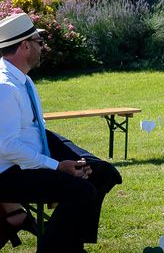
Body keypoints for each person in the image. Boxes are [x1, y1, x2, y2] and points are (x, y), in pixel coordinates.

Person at [0, 13, 122, 252]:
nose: (42, 47)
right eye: (39, 42)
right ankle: (54, 249)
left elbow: (35, 130)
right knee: (81, 190)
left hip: (32, 151)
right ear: (24, 46)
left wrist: (68, 161)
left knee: (100, 172)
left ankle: (70, 245)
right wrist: (55, 166)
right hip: (8, 173)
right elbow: (7, 147)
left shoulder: (21, 79)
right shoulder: (5, 87)